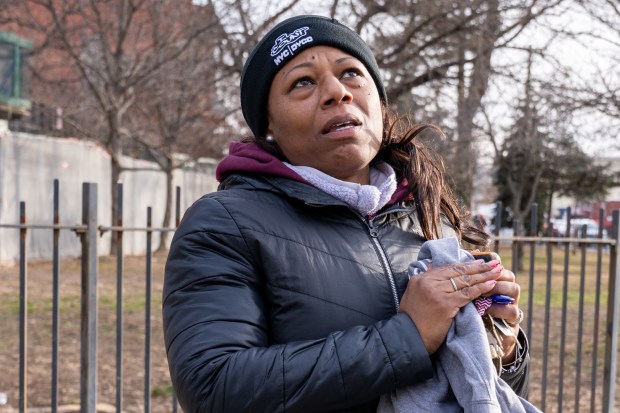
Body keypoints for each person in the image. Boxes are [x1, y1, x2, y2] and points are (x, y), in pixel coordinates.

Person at [163, 14, 532, 413]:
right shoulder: (224, 222)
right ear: (267, 124)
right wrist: (407, 337)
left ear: (379, 102)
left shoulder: (431, 215)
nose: (337, 92)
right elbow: (213, 388)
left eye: (352, 73)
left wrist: (502, 342)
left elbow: (480, 392)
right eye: (302, 82)